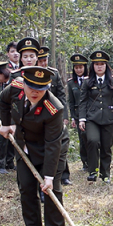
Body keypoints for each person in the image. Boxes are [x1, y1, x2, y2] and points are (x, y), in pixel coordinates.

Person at [0, 66, 70, 226]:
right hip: (24, 148)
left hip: (51, 149)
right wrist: (5, 124)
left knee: (52, 191)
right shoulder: (15, 87)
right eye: (31, 88)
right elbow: (2, 101)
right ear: (24, 84)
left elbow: (52, 145)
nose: (36, 92)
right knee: (27, 190)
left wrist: (48, 177)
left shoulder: (54, 108)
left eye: (41, 88)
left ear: (47, 87)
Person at [79, 51, 113, 182]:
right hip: (92, 118)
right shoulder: (87, 81)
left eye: (102, 64)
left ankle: (105, 174)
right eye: (97, 64)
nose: (99, 67)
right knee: (92, 141)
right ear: (93, 66)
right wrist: (82, 118)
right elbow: (82, 101)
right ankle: (93, 171)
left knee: (106, 146)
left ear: (106, 65)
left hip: (108, 118)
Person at [37, 46, 70, 184]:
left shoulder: (54, 74)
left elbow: (61, 95)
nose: (43, 63)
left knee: (61, 143)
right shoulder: (33, 74)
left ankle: (64, 175)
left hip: (55, 115)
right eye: (40, 61)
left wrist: (65, 115)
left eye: (45, 60)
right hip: (38, 116)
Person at [66, 54, 90, 174]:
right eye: (76, 68)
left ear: (85, 68)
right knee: (82, 138)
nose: (79, 70)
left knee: (91, 138)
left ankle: (94, 161)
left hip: (90, 114)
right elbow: (71, 101)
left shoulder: (90, 79)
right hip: (77, 114)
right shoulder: (71, 83)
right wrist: (73, 118)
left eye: (81, 67)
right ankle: (85, 163)